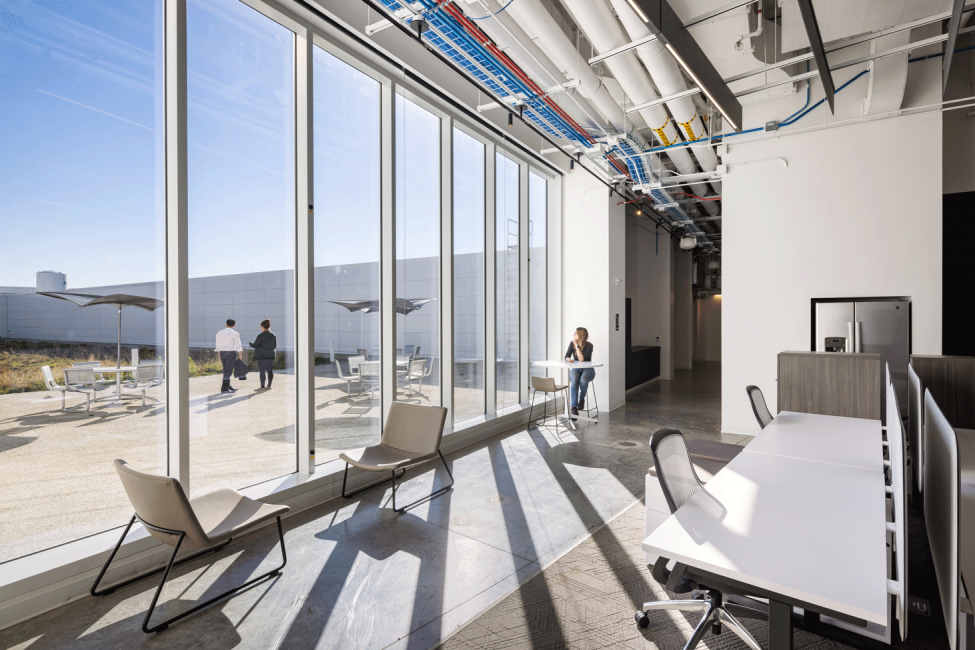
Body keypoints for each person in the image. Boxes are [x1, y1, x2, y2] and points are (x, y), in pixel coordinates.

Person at [564, 327, 594, 418]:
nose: (573, 335)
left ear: (581, 335)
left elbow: (581, 359)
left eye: (575, 333)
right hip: (576, 369)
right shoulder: (571, 343)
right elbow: (566, 355)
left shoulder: (589, 345)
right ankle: (574, 407)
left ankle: (582, 398)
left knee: (583, 380)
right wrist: (568, 359)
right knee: (574, 382)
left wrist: (577, 346)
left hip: (587, 369)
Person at [216, 318, 243, 393]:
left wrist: (219, 354)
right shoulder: (235, 333)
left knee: (226, 370)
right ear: (234, 325)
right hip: (231, 353)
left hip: (222, 353)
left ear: (226, 324)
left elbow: (217, 344)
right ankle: (224, 388)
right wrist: (240, 355)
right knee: (229, 371)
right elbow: (238, 345)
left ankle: (227, 386)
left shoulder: (219, 333)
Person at [250, 319, 277, 390]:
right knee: (270, 370)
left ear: (262, 326)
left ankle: (262, 386)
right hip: (271, 355)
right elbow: (274, 345)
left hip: (262, 355)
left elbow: (255, 345)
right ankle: (269, 385)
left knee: (262, 371)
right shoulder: (273, 335)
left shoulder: (260, 335)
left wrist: (250, 343)